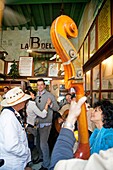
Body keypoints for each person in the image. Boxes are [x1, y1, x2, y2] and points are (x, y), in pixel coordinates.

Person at [49, 98, 113, 170]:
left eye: (96, 111)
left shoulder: (110, 136)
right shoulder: (96, 132)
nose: (92, 112)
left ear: (105, 115)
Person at [0, 87, 31, 170]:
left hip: (15, 159)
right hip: (13, 162)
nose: (25, 102)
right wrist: (26, 152)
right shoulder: (8, 117)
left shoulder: (11, 113)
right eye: (24, 100)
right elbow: (11, 146)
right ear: (19, 102)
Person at [35, 78, 59, 170]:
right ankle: (41, 157)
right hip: (37, 123)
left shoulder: (50, 95)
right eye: (38, 85)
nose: (40, 86)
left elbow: (57, 108)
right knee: (37, 143)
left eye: (41, 84)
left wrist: (50, 104)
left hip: (46, 123)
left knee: (43, 144)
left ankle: (46, 164)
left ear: (44, 85)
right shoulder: (36, 96)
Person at [25, 89, 51, 163]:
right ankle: (44, 161)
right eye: (32, 94)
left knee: (36, 143)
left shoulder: (27, 104)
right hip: (32, 127)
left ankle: (40, 158)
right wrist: (47, 104)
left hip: (28, 126)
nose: (34, 95)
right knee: (39, 144)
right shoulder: (31, 104)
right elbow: (43, 115)